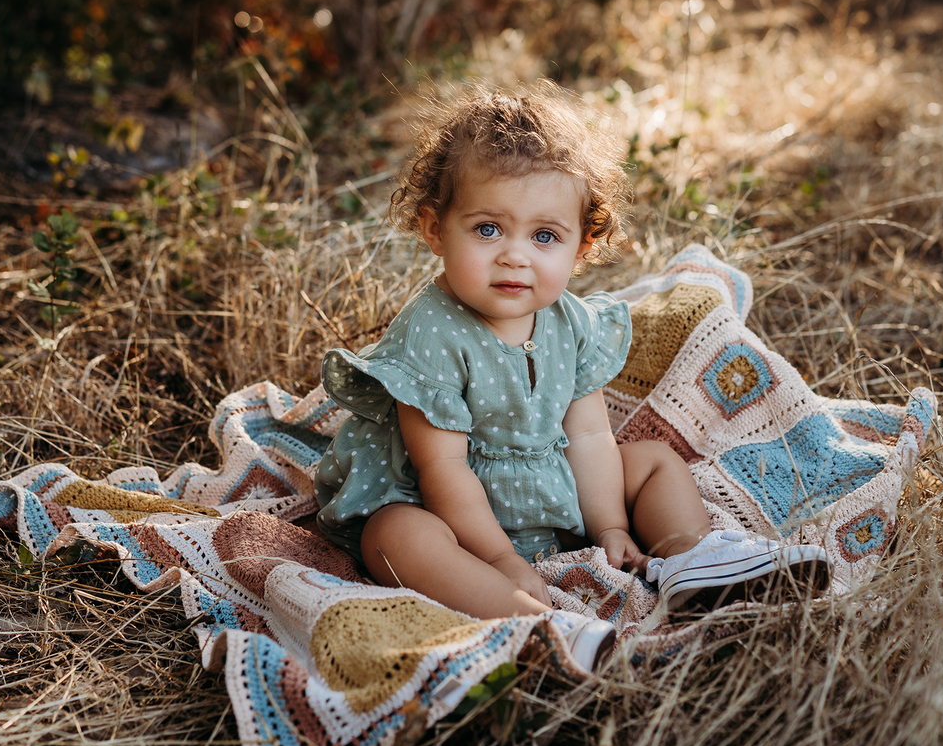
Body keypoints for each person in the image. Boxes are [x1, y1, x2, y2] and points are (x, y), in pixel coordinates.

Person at [313, 84, 830, 668]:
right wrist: (504, 560)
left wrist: (609, 524)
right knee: (395, 538)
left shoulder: (573, 324)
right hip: (448, 511)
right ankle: (537, 624)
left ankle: (691, 561)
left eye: (544, 236)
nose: (515, 255)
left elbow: (587, 436)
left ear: (581, 246)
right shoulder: (431, 334)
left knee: (654, 460)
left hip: (548, 485)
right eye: (487, 229)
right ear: (435, 229)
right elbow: (442, 470)